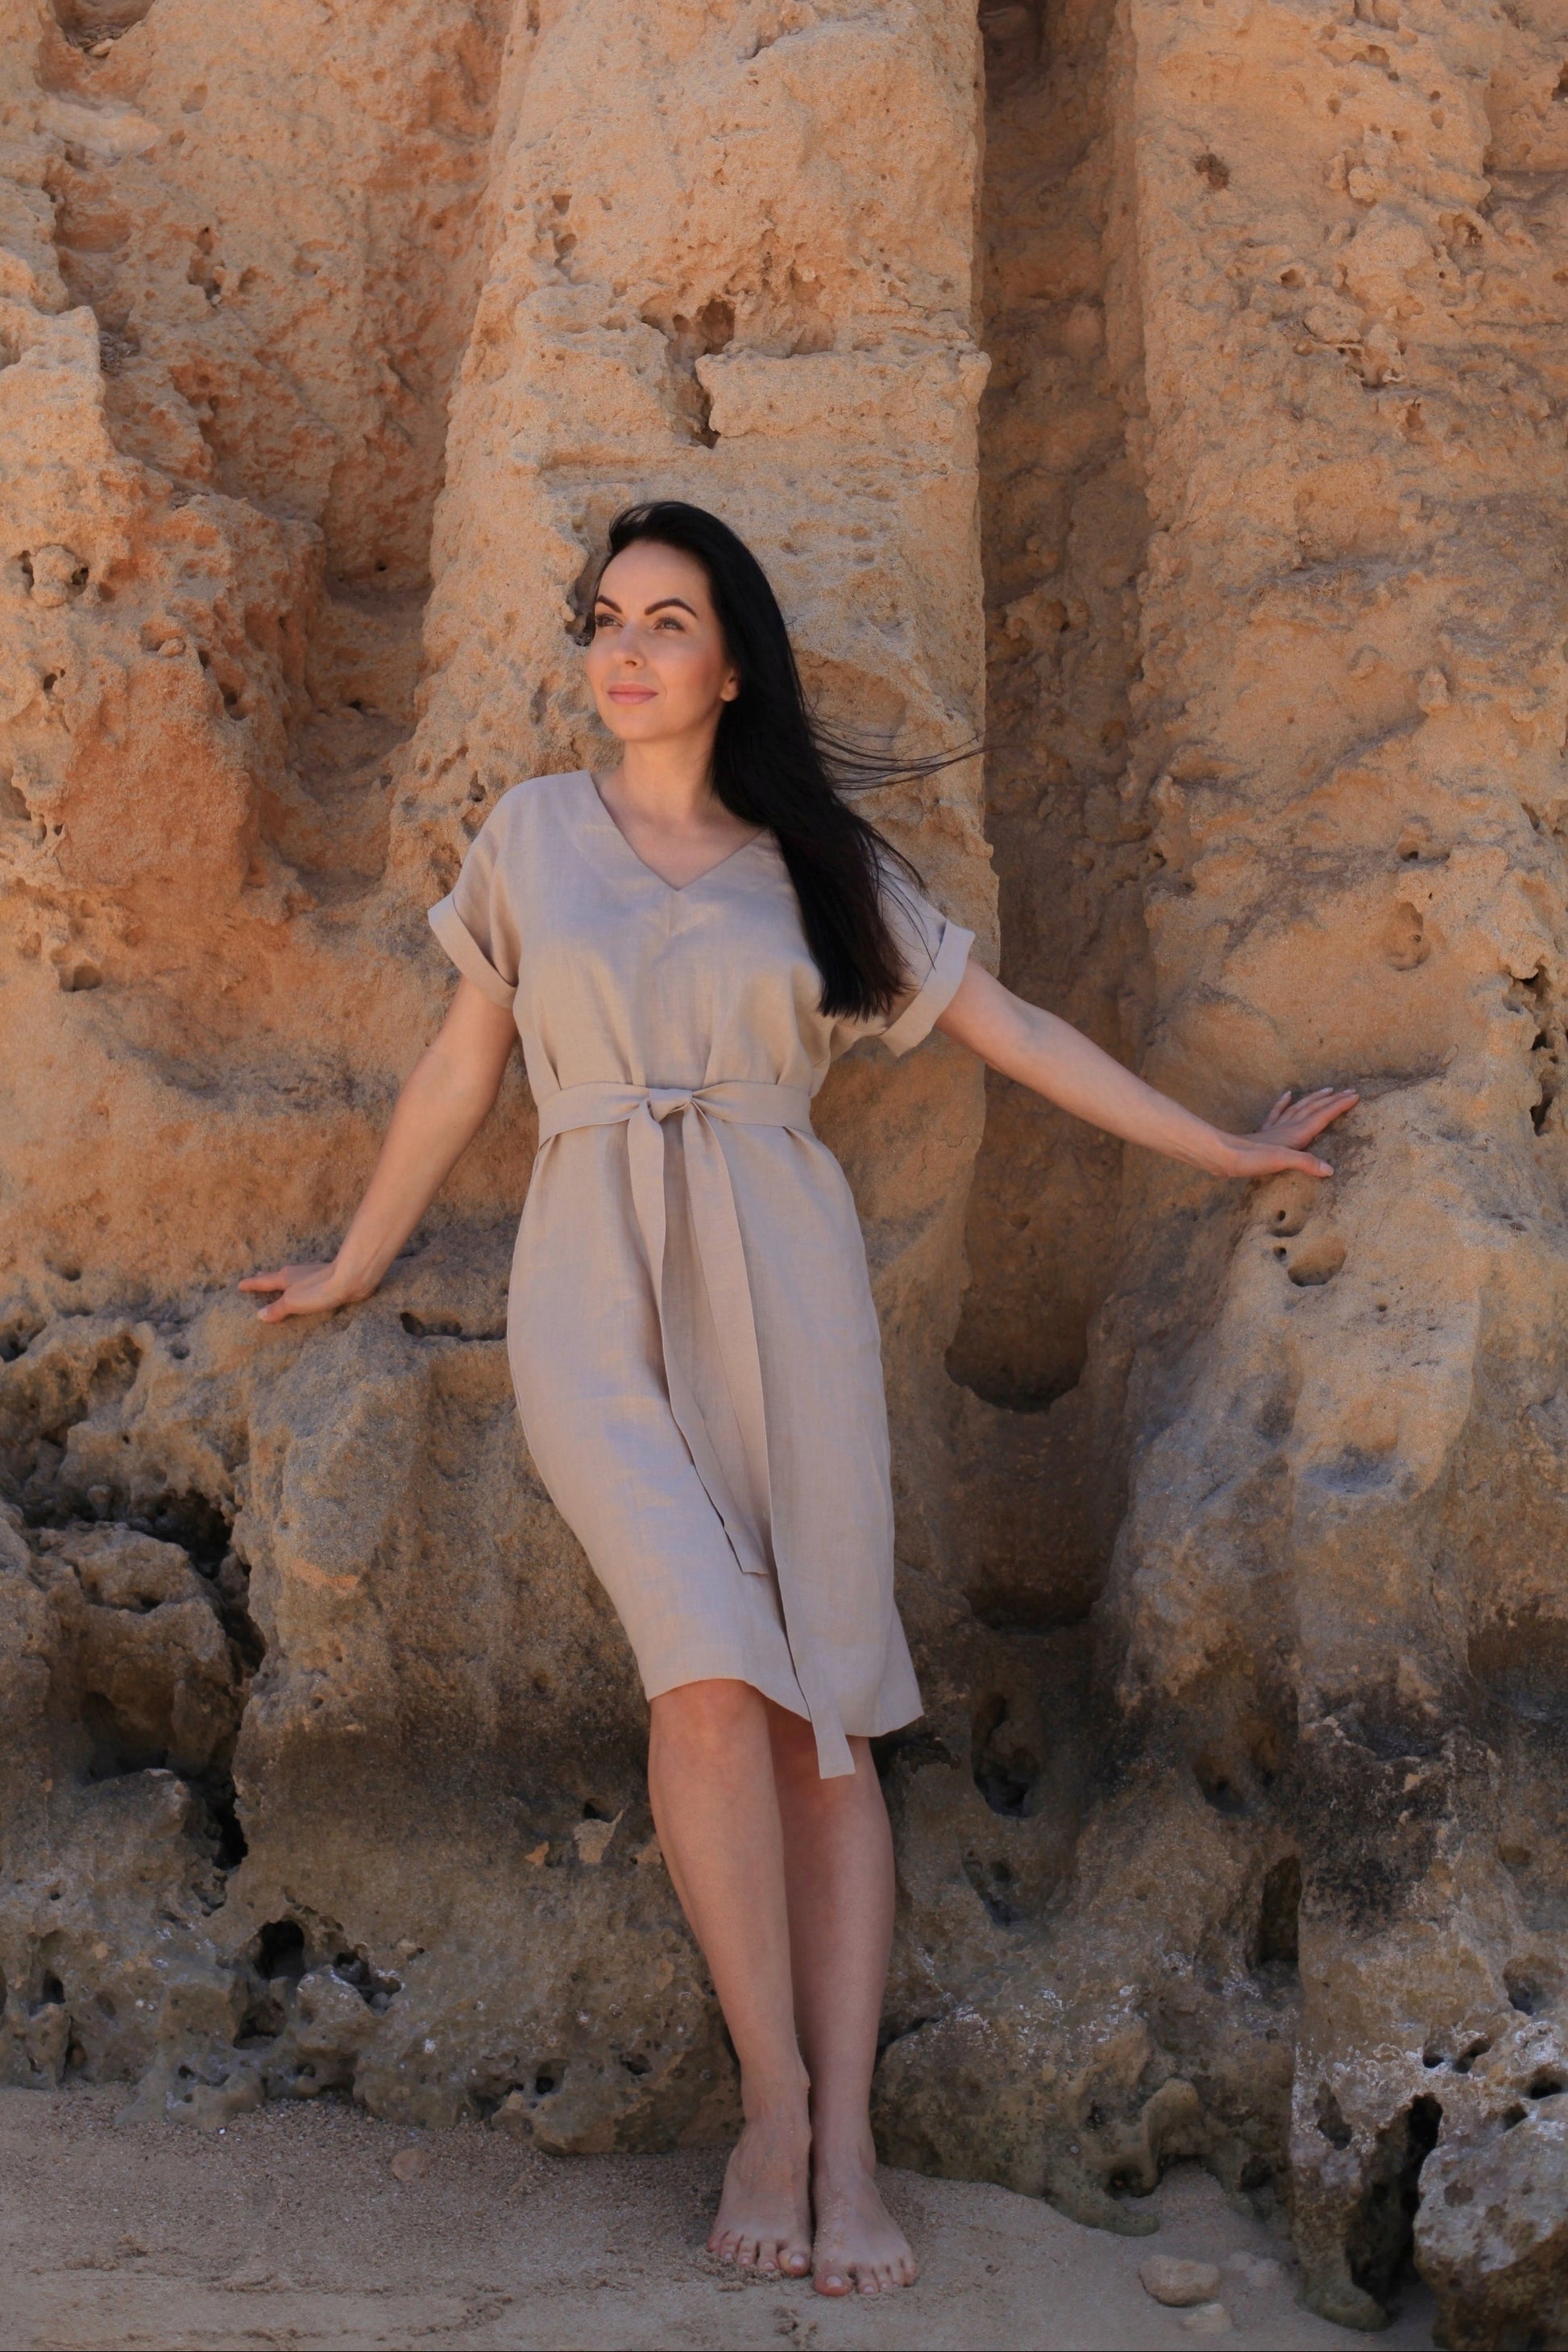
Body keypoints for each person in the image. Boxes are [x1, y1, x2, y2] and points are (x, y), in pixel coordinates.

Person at [242, 500, 1356, 2297]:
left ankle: (848, 2147)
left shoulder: (821, 864)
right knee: (705, 1673)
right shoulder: (532, 833)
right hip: (591, 1290)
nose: (622, 650)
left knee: (821, 1721)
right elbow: (460, 1069)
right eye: (605, 617)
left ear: (732, 664)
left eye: (665, 621)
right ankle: (771, 2103)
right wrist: (357, 1260)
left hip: (788, 1278)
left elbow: (1015, 1032)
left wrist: (1220, 1149)